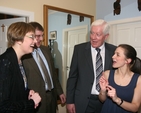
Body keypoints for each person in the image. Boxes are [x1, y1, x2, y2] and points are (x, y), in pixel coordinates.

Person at [66, 19, 117, 113]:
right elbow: (72, 77)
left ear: (106, 36)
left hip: (107, 101)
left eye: (98, 34)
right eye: (92, 33)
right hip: (84, 101)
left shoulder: (114, 50)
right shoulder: (79, 50)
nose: (93, 37)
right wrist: (69, 101)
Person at [22, 22, 66, 113]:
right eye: (38, 36)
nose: (41, 39)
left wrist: (60, 92)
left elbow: (53, 73)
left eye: (42, 35)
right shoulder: (23, 55)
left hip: (52, 96)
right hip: (37, 100)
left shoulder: (46, 50)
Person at [0, 22, 41, 113]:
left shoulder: (19, 61)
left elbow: (14, 91)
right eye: (31, 37)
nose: (35, 41)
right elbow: (3, 107)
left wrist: (27, 92)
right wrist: (32, 102)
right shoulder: (5, 62)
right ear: (18, 39)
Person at [99, 44, 141, 113]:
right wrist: (103, 91)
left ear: (127, 60)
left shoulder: (138, 79)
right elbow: (102, 100)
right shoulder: (107, 74)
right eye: (114, 53)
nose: (113, 56)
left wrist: (117, 99)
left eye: (117, 55)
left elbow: (135, 107)